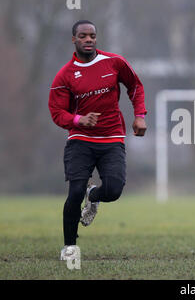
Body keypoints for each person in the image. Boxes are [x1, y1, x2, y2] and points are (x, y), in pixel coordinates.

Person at [49, 20, 147, 260]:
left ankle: (93, 197)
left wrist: (140, 116)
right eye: (83, 36)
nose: (89, 39)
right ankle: (70, 247)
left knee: (113, 190)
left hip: (112, 138)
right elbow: (56, 112)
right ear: (74, 39)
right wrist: (78, 120)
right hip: (80, 141)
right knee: (74, 193)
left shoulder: (114, 62)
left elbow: (135, 86)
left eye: (92, 35)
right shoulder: (65, 75)